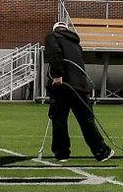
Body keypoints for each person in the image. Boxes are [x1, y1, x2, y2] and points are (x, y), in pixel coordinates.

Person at [43, 21, 113, 163]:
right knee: (86, 120)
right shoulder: (76, 44)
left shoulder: (52, 37)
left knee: (59, 120)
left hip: (63, 85)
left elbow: (55, 54)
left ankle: (62, 153)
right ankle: (101, 152)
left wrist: (57, 75)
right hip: (80, 87)